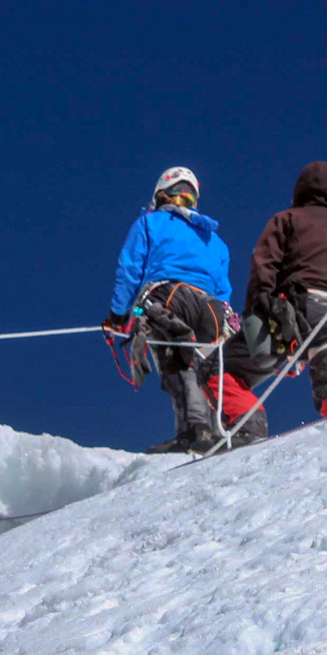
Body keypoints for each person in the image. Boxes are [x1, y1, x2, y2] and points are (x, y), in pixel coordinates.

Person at [208, 162, 327, 437]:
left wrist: (258, 311)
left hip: (292, 314)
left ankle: (249, 427)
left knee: (214, 370)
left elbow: (263, 264)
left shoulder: (288, 218)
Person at [105, 167, 236, 454]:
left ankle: (195, 432)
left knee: (177, 363)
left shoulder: (150, 223)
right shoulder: (214, 240)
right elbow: (223, 289)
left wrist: (118, 314)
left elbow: (130, 269)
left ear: (160, 195)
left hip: (166, 296)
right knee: (205, 367)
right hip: (212, 308)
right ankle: (214, 431)